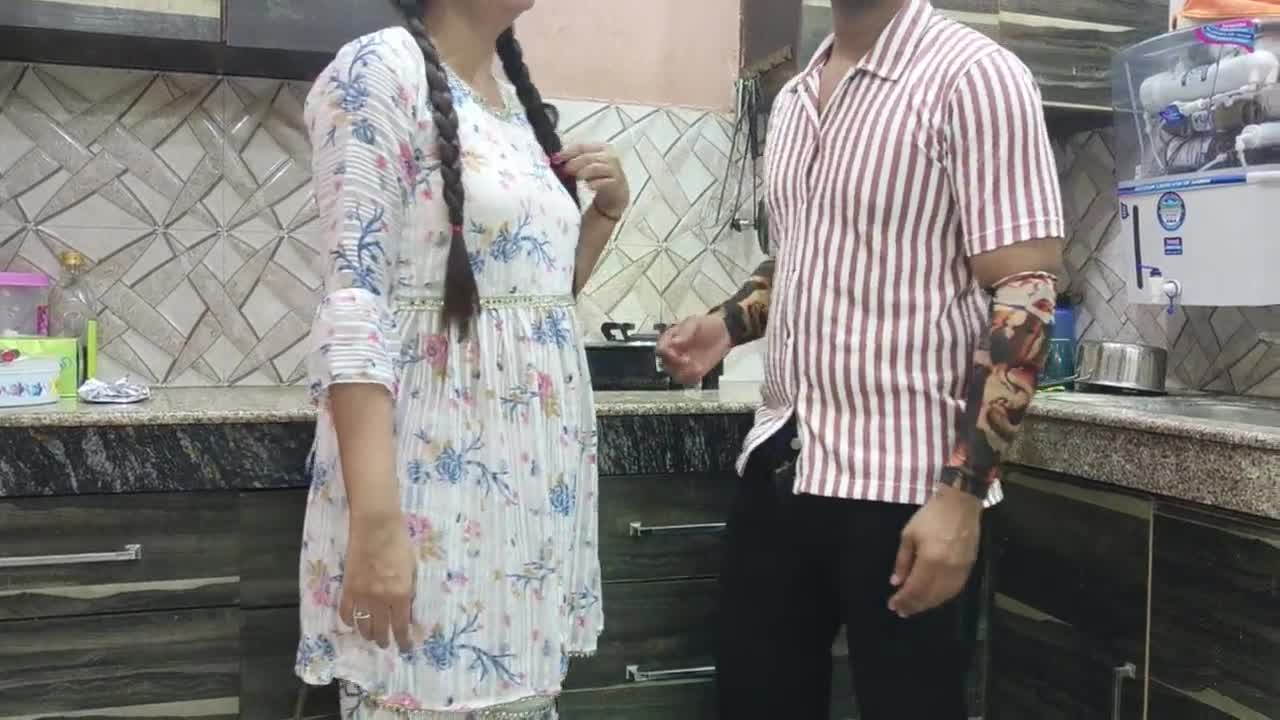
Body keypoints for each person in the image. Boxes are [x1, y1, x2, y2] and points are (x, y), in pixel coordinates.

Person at [657, 0, 1064, 718]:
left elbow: (1025, 291)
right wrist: (727, 325)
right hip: (784, 459)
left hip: (911, 486)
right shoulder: (794, 98)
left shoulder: (974, 75)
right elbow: (806, 256)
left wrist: (961, 499)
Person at [294, 1, 630, 717]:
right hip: (430, 487)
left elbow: (529, 295)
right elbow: (356, 306)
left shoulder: (509, 105)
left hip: (528, 496)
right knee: (416, 694)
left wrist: (604, 214)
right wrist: (376, 527)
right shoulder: (377, 69)